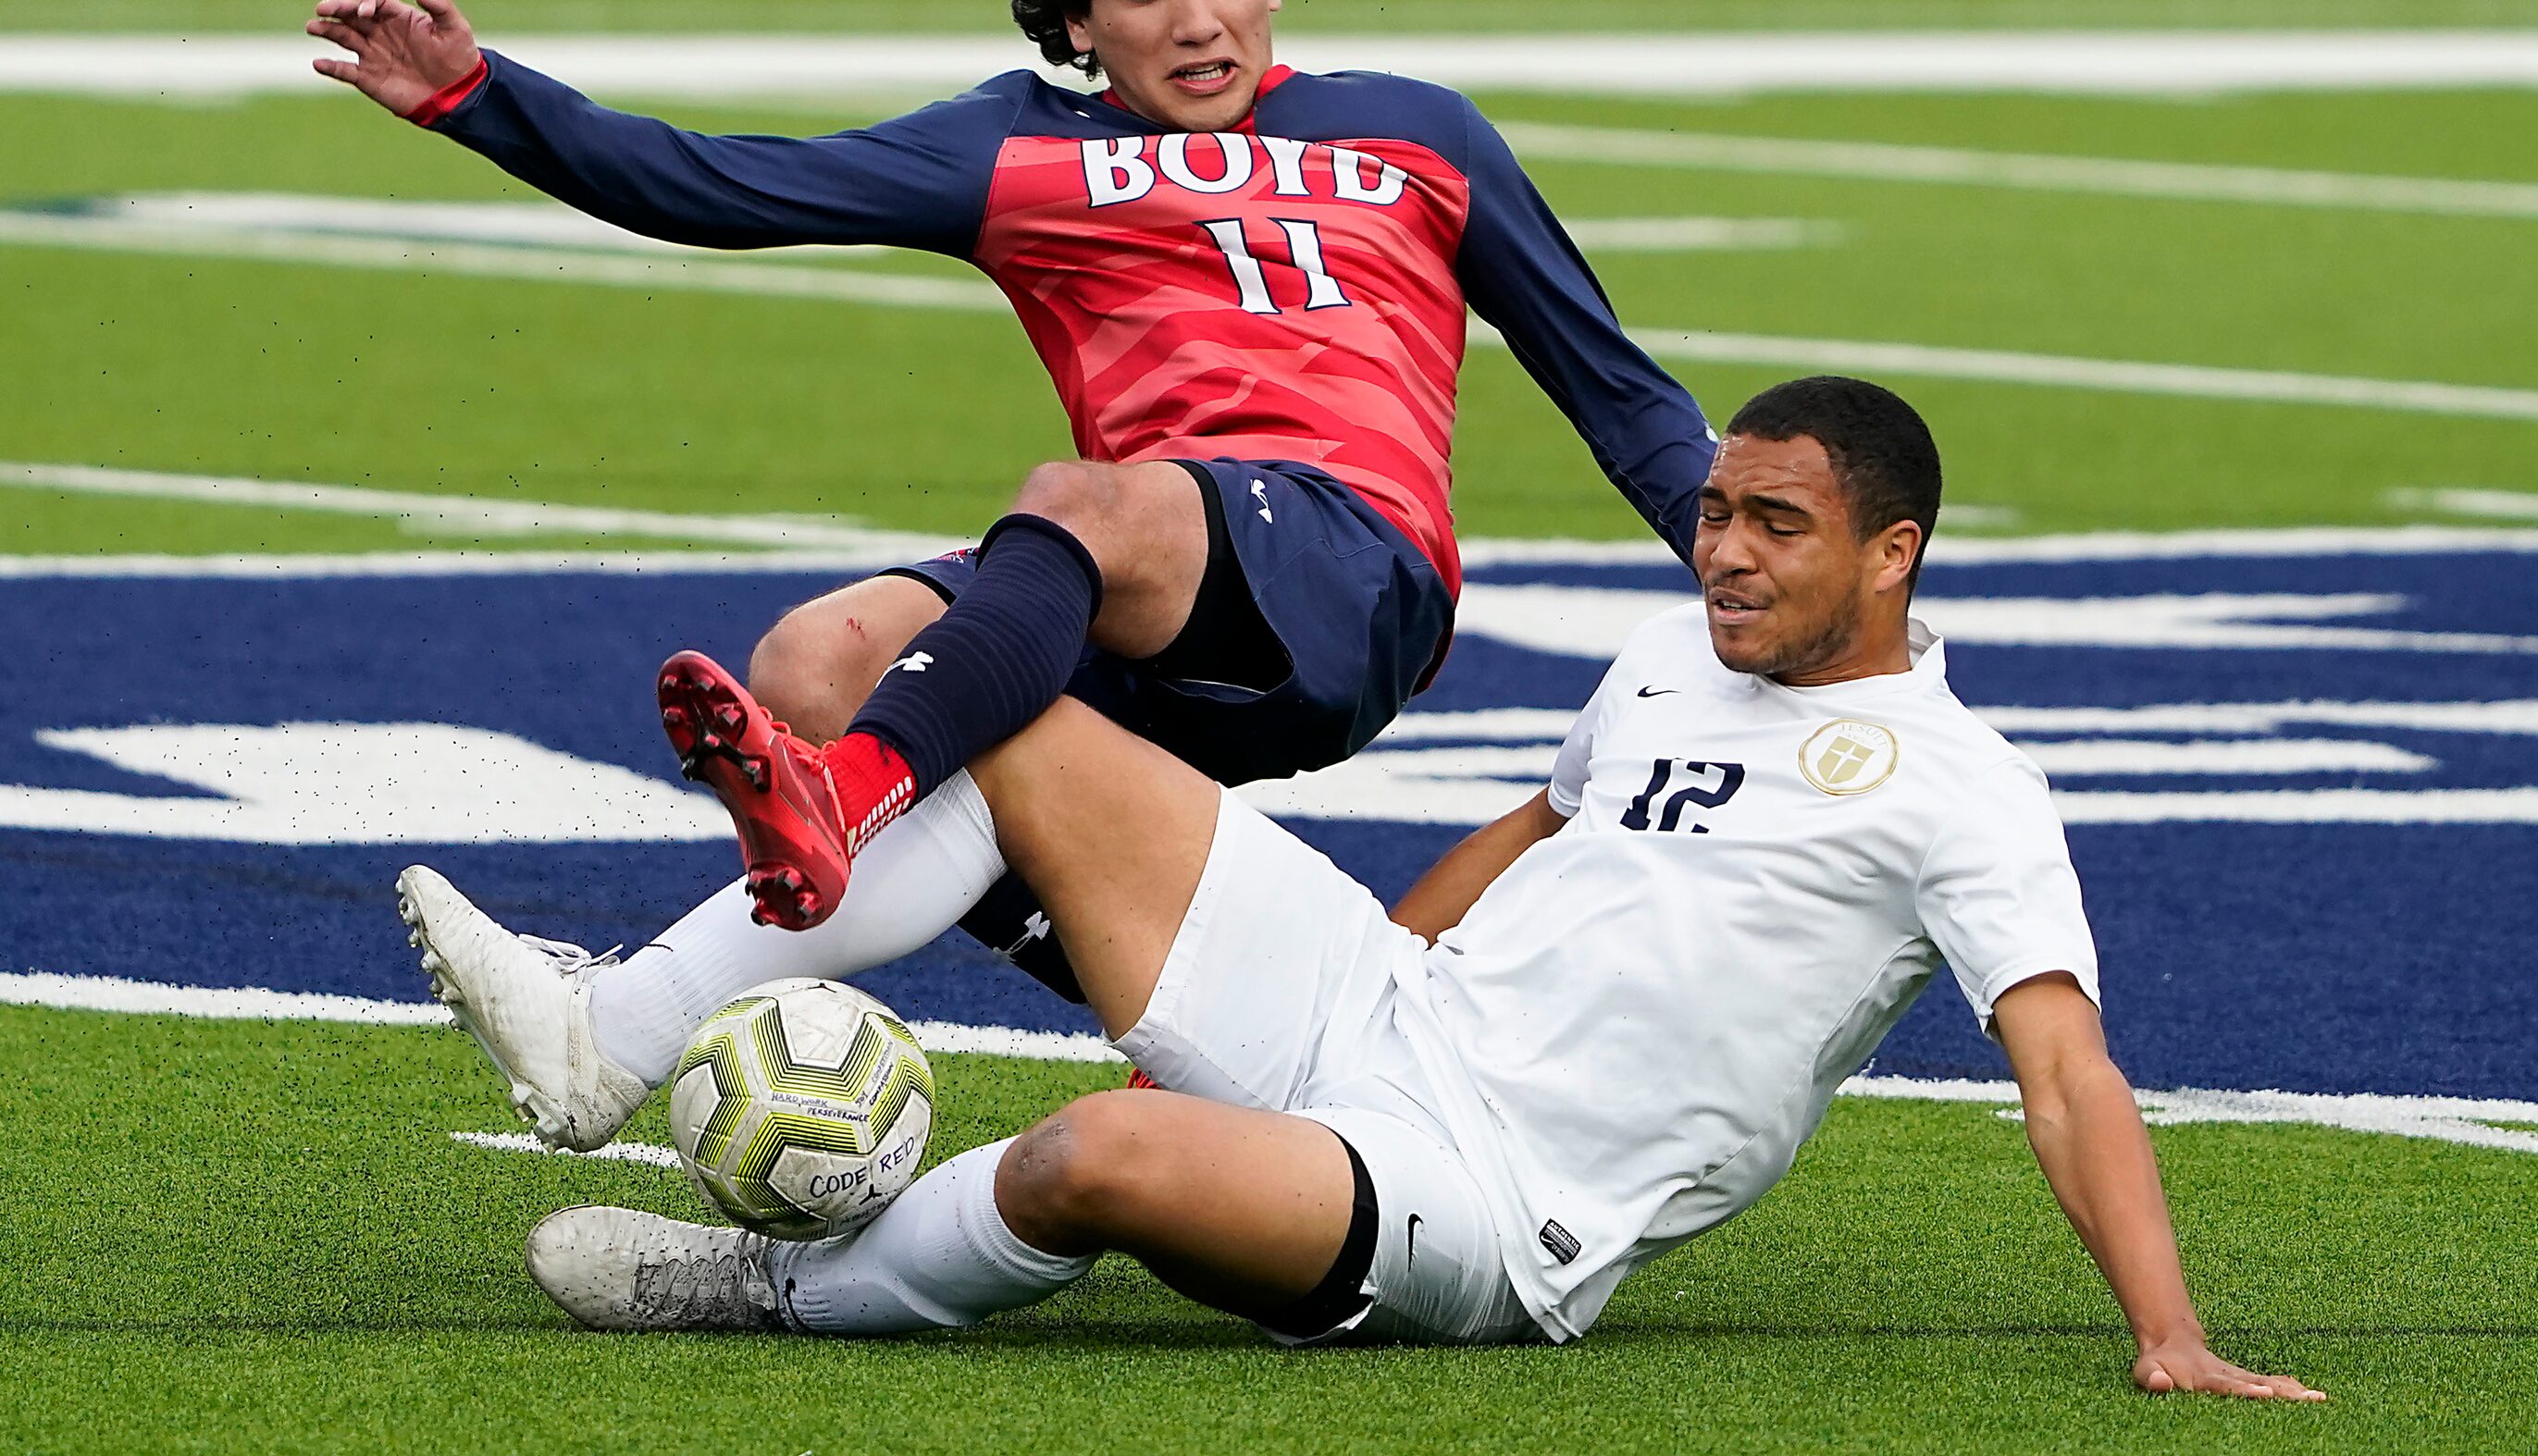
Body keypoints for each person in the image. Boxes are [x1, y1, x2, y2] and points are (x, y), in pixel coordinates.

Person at [403, 377, 2323, 1397]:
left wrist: (2163, 1331)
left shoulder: (1969, 792)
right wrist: (1338, 976)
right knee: (1025, 732)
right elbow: (1539, 832)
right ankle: (608, 1040)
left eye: (1774, 527)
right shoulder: (1668, 665)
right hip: (1384, 1014)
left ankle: (774, 1289)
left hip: (1499, 1206)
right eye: (1715, 510)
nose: (1719, 552)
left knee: (1096, 1163)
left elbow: (2061, 1067)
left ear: (1891, 557)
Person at [312, 0, 1716, 1043]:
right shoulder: (1017, 147)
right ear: (1075, 20)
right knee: (815, 660)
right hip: (1145, 603)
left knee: (1076, 503)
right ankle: (1218, 1038)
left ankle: (851, 792)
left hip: (1354, 574)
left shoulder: (1423, 134)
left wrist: (1769, 579)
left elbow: (1618, 391)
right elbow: (721, 186)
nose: (1197, 19)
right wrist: (478, 98)